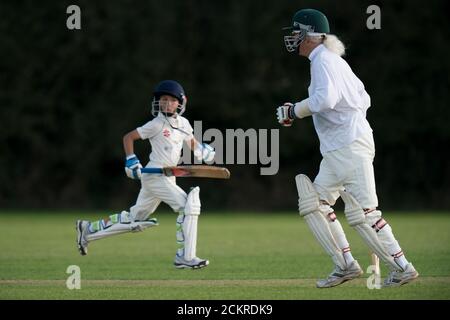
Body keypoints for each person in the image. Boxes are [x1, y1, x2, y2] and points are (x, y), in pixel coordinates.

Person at [276, 9, 419, 287]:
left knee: (365, 214)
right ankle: (345, 265)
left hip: (349, 147)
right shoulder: (332, 61)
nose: (293, 38)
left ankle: (403, 267)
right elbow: (363, 97)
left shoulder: (324, 61)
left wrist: (294, 110)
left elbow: (325, 99)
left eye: (297, 32)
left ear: (310, 35)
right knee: (313, 203)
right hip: (340, 149)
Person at [76, 80, 215, 269]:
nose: (165, 103)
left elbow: (191, 142)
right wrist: (131, 159)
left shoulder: (183, 124)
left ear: (180, 102)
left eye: (170, 100)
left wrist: (202, 151)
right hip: (154, 174)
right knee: (188, 205)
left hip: (168, 174)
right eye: (162, 99)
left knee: (135, 219)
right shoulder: (157, 123)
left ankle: (88, 230)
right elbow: (129, 137)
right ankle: (185, 256)